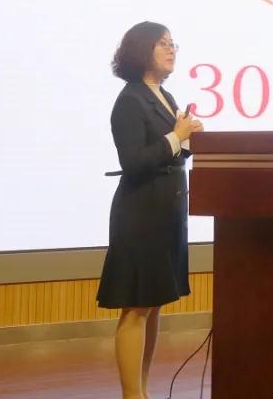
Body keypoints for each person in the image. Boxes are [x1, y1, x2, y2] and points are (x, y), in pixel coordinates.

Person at [96, 21, 203, 399]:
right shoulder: (130, 100)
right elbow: (133, 161)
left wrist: (186, 141)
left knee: (154, 304)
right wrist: (177, 136)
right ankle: (132, 395)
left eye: (174, 43)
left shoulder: (165, 96)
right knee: (136, 306)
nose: (172, 49)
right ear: (142, 50)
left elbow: (170, 154)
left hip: (166, 211)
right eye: (162, 44)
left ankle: (142, 390)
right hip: (140, 213)